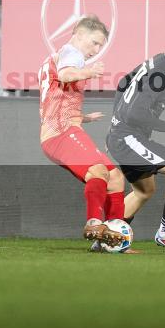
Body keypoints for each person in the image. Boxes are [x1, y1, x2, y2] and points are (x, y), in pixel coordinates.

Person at [106, 18, 165, 254]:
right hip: (128, 137)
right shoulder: (161, 71)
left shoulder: (157, 64)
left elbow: (122, 83)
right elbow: (135, 113)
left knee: (144, 191)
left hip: (124, 136)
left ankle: (107, 239)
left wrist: (115, 124)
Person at [38, 14, 128, 247]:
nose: (96, 49)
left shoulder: (63, 56)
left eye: (100, 45)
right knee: (98, 170)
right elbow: (66, 74)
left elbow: (56, 99)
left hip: (65, 129)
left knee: (115, 177)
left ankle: (110, 241)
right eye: (94, 42)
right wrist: (89, 71)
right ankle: (95, 223)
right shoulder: (72, 53)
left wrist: (83, 117)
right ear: (78, 34)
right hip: (61, 133)